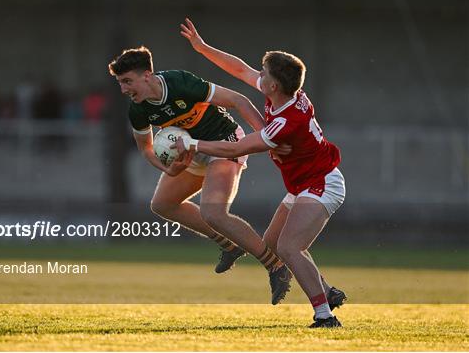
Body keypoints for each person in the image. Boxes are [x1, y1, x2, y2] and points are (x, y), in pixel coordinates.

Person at [178, 19, 347, 327]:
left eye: (264, 73)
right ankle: (326, 291)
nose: (259, 75)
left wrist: (191, 143)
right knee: (272, 246)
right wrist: (202, 47)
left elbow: (235, 149)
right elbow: (241, 70)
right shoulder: (283, 94)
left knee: (289, 247)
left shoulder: (285, 122)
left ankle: (324, 316)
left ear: (273, 86)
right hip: (302, 185)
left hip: (322, 184)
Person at [108, 46, 291, 305]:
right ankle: (229, 245)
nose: (124, 89)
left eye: (127, 81)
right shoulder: (138, 109)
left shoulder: (181, 83)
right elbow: (146, 148)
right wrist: (168, 169)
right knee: (162, 204)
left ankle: (276, 266)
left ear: (147, 75)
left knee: (214, 212)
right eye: (120, 83)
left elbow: (239, 100)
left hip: (224, 142)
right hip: (192, 152)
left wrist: (267, 138)